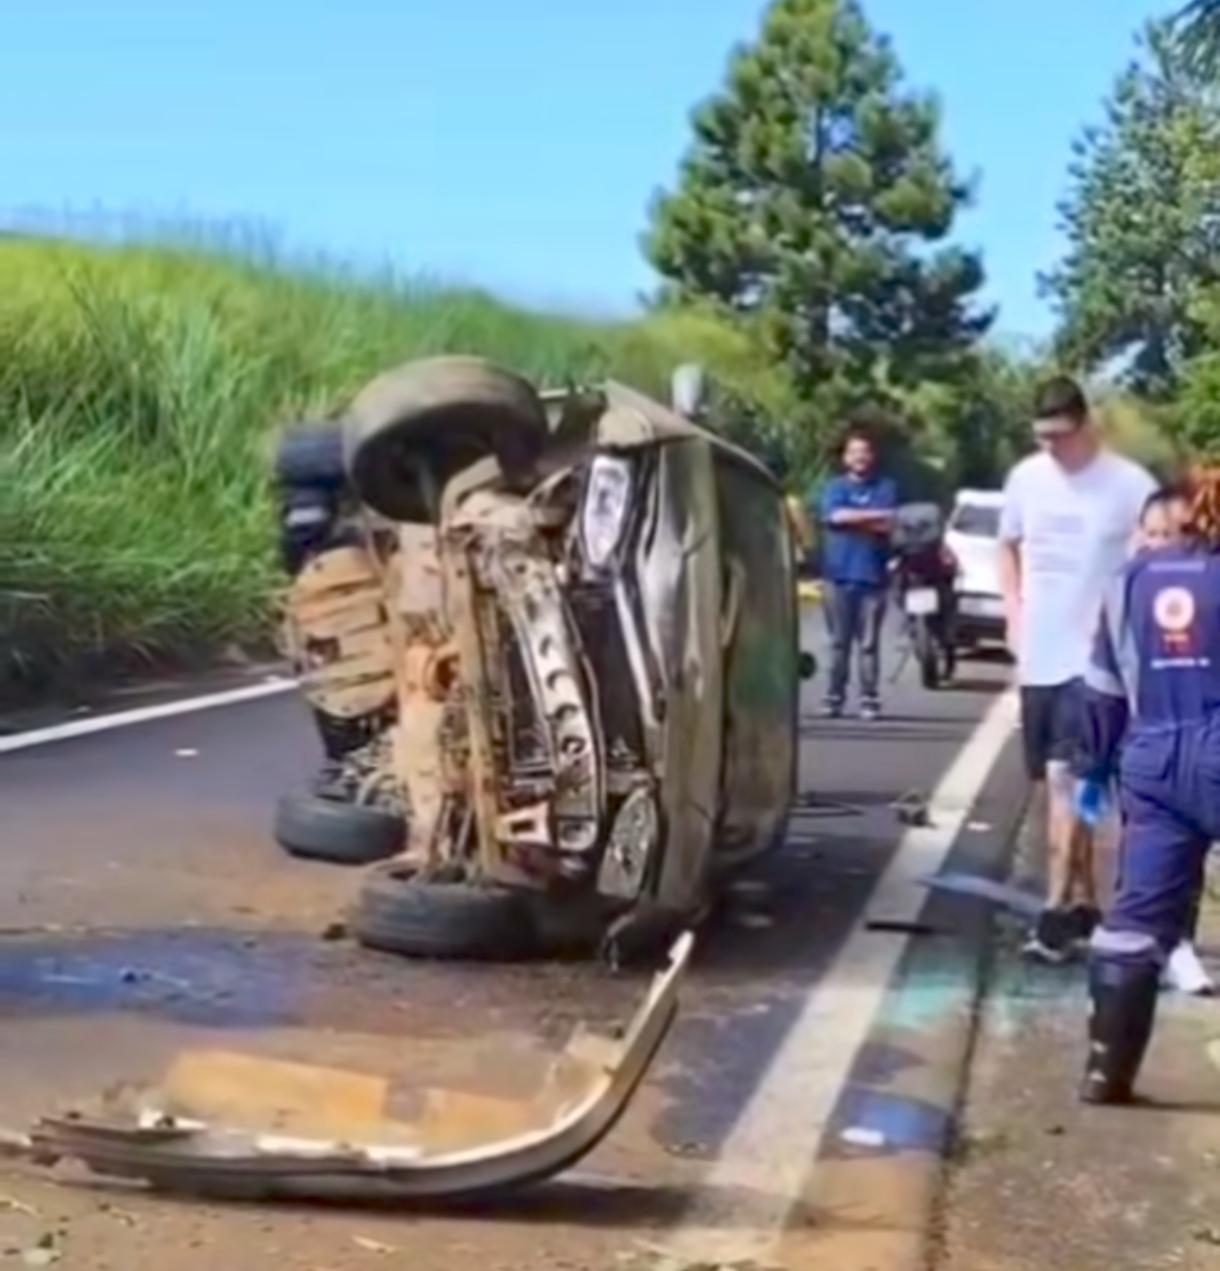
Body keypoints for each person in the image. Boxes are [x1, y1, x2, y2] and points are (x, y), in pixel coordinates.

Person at [999, 376, 1156, 962]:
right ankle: (1088, 903)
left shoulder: (1128, 485)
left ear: (1084, 425)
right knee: (1057, 788)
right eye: (1042, 439)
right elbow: (1007, 545)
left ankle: (1054, 915)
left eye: (1060, 438)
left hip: (1095, 666)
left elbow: (1153, 559)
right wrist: (1013, 609)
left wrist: (1121, 616)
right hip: (1040, 659)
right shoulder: (1025, 479)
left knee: (1071, 787)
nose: (1051, 450)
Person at [1077, 469, 1220, 1103]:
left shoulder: (1126, 583)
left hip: (1153, 759)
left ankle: (1106, 1073)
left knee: (1134, 920)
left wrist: (1096, 766)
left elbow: (1103, 690)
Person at [1128, 486, 1213, 995]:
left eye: (1174, 535)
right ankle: (1141, 951)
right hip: (1142, 747)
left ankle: (1178, 944)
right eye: (1154, 535)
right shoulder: (1128, 588)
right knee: (1144, 865)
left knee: (1189, 851)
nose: (1163, 545)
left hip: (1188, 745)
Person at [818, 427, 898, 721]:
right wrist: (870, 517)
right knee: (838, 642)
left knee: (868, 645)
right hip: (837, 577)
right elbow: (834, 516)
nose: (859, 458)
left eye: (864, 452)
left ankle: (869, 698)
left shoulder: (885, 487)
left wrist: (853, 518)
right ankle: (833, 697)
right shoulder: (834, 487)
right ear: (845, 458)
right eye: (853, 452)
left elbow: (890, 521)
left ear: (872, 456)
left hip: (873, 578)